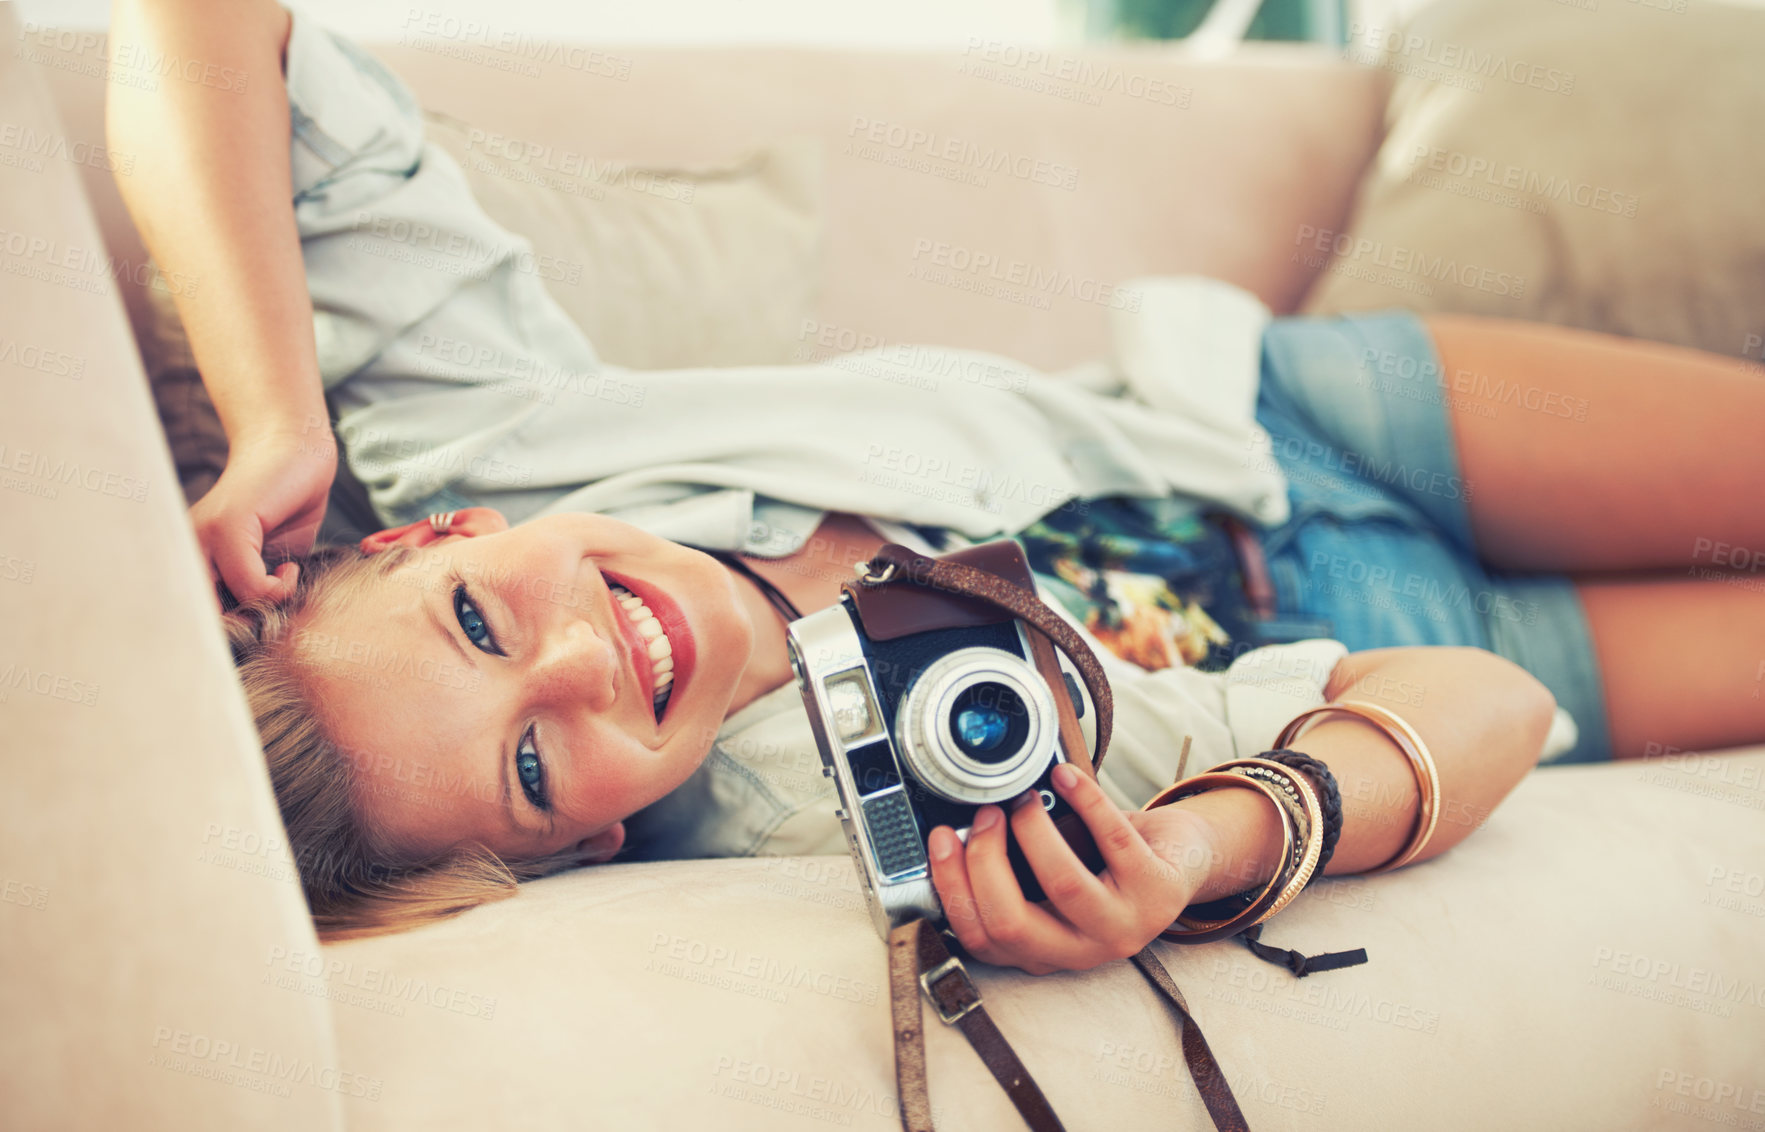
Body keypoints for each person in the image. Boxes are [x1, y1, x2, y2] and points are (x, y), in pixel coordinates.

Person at [110, 0, 1765, 960]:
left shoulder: (496, 436)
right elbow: (1468, 698)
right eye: (535, 767)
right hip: (1388, 633)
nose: (580, 662)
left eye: (476, 621)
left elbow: (199, 19)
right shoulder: (811, 821)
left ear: (440, 531)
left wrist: (273, 420)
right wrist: (1204, 850)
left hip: (1276, 418)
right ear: (582, 853)